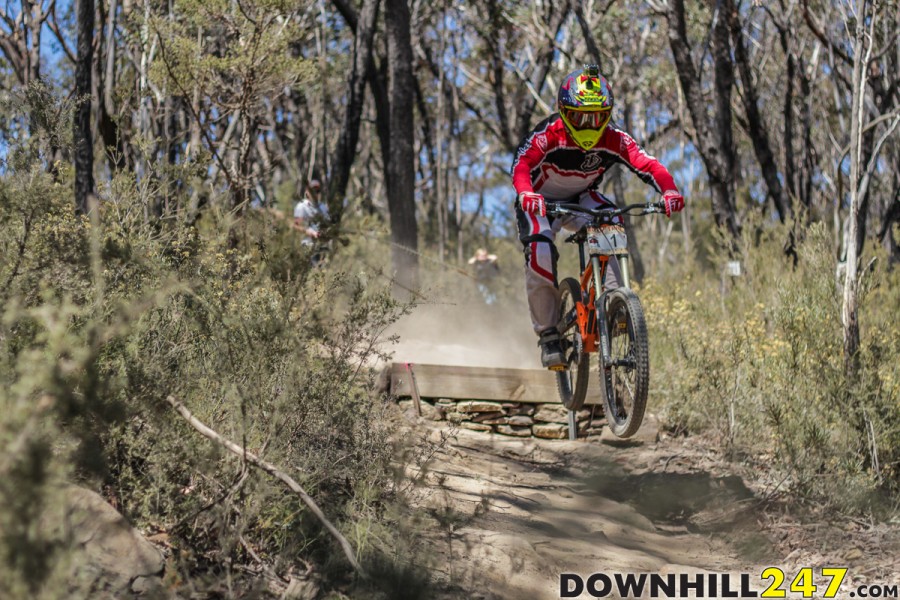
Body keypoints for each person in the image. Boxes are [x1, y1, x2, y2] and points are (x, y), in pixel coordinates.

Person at [511, 65, 684, 369]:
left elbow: (649, 165)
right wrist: (526, 193)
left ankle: (614, 302)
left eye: (598, 116)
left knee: (611, 219)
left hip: (582, 197)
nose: (589, 124)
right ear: (564, 112)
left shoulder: (615, 138)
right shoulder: (549, 133)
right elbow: (521, 164)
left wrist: (669, 191)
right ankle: (549, 334)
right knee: (539, 249)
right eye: (580, 116)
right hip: (541, 200)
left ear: (608, 114)